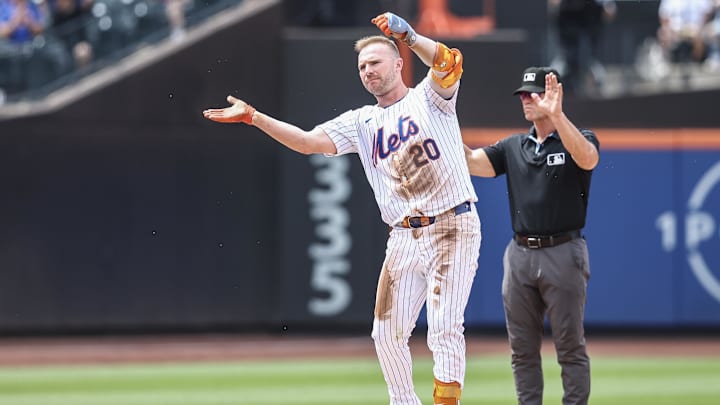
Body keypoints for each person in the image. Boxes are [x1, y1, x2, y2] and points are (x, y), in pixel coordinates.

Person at [203, 11, 481, 405]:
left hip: (451, 223)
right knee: (385, 334)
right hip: (403, 235)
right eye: (362, 66)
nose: (368, 71)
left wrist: (411, 35)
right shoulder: (361, 122)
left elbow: (448, 62)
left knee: (443, 327)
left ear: (399, 63)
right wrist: (254, 118)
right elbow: (306, 141)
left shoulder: (429, 98)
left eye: (375, 63)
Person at [464, 67, 599, 405]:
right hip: (520, 253)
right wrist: (435, 127)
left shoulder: (578, 137)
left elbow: (588, 158)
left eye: (534, 93)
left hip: (563, 250)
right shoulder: (514, 145)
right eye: (523, 94)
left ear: (554, 95)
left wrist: (558, 116)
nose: (526, 99)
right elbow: (470, 161)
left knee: (570, 347)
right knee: (522, 350)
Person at [548, 0, 616, 95]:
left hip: (589, 52)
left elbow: (609, 11)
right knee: (555, 76)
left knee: (598, 79)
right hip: (567, 50)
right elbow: (553, 4)